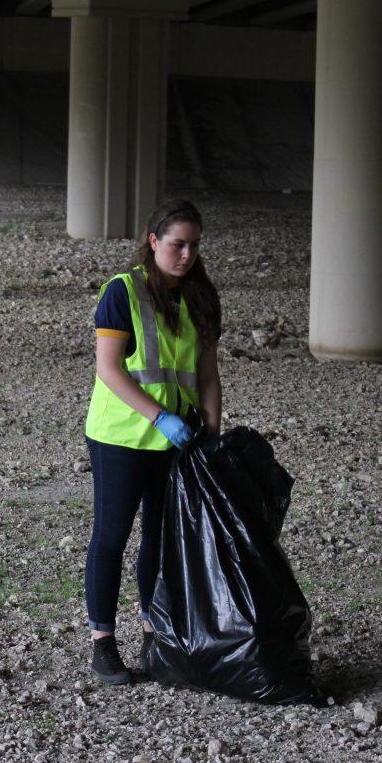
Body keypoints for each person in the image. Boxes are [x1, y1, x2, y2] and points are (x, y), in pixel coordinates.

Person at [82, 198, 223, 686]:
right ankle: (103, 642)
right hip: (120, 437)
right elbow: (109, 368)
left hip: (176, 443)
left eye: (194, 245)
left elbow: (207, 374)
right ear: (153, 241)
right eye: (177, 244)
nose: (186, 255)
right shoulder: (122, 292)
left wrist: (211, 431)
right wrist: (160, 416)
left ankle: (152, 630)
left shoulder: (201, 297)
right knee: (111, 537)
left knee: (161, 541)